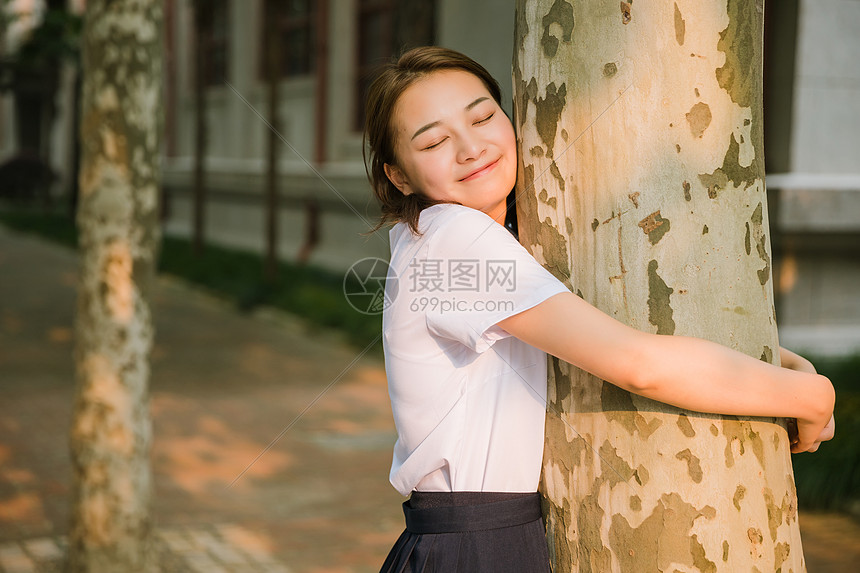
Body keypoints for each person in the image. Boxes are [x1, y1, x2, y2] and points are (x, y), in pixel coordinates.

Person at [363, 46, 836, 573]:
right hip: (478, 547)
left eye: (482, 117)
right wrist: (810, 395)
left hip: (476, 538)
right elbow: (637, 363)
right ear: (399, 177)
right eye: (433, 141)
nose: (471, 147)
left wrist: (770, 356)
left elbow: (590, 334)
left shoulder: (443, 241)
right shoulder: (455, 239)